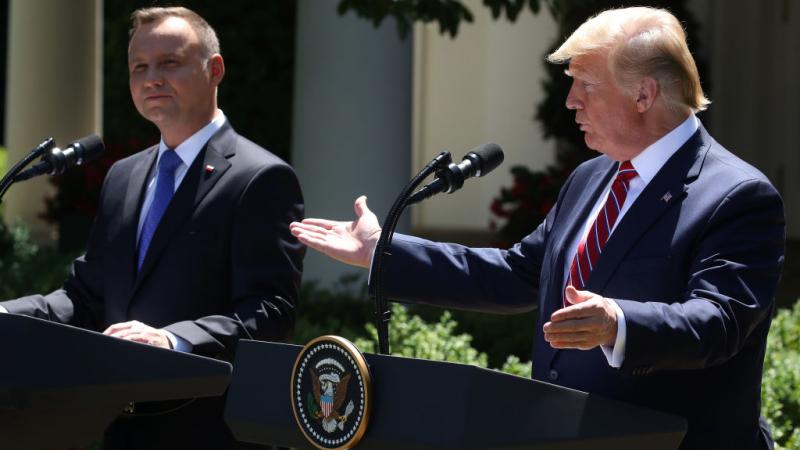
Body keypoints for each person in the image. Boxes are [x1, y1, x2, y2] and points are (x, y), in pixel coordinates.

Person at [290, 7, 784, 450]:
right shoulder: (591, 177)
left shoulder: (736, 195)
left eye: (585, 85)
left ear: (644, 94)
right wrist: (383, 251)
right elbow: (516, 274)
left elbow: (719, 321)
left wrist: (620, 323)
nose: (570, 101)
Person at [1, 6, 304, 450]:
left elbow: (270, 312)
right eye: (139, 67)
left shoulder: (261, 178)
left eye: (170, 63)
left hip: (209, 429)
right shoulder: (123, 176)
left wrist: (172, 340)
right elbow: (85, 298)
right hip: (115, 423)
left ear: (214, 70)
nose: (151, 78)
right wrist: (7, 315)